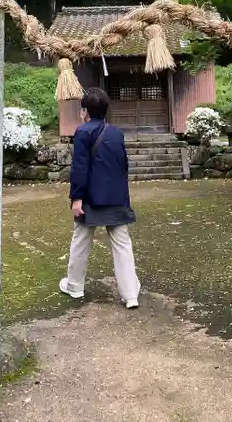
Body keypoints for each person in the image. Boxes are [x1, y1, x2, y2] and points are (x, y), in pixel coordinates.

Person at [59, 87, 140, 309]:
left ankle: (75, 286)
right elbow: (123, 166)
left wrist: (76, 199)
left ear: (85, 111)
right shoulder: (116, 133)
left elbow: (80, 169)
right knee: (122, 244)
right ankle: (130, 294)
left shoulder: (83, 132)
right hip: (116, 197)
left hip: (90, 199)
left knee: (81, 240)